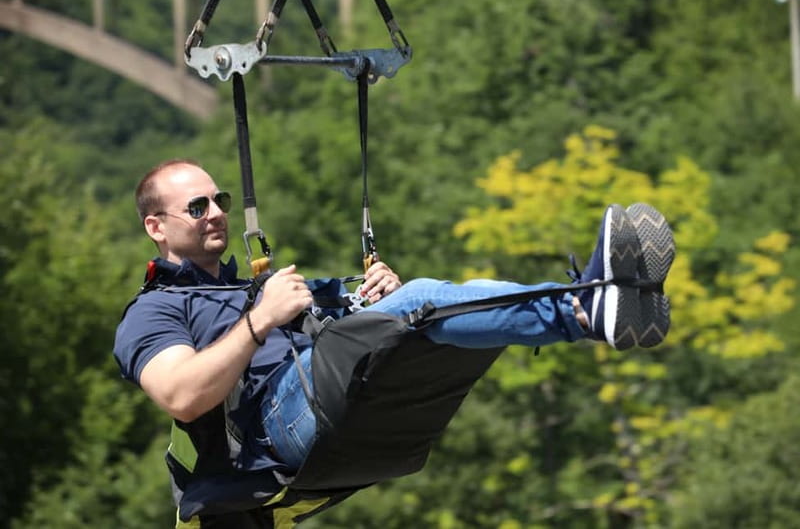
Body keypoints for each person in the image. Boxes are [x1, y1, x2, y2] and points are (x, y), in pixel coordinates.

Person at [113, 159, 674, 526]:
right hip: (271, 433)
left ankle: (599, 300)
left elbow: (343, 317)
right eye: (197, 207)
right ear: (156, 227)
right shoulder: (154, 311)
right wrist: (260, 322)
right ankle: (585, 307)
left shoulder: (252, 286)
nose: (215, 214)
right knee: (423, 302)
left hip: (325, 403)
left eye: (220, 200)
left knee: (425, 311)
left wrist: (375, 297)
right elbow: (182, 395)